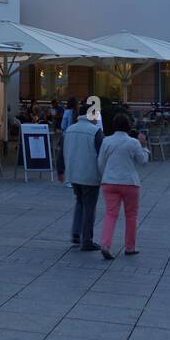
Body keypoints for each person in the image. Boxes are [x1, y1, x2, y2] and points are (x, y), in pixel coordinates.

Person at [96, 112, 150, 260]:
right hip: (130, 183)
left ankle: (106, 244)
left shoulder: (106, 141)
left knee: (110, 214)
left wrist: (105, 175)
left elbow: (100, 162)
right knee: (131, 215)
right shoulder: (133, 142)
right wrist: (144, 146)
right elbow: (143, 161)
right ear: (129, 126)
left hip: (109, 182)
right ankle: (130, 247)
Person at [63, 103, 105, 251]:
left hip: (73, 174)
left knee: (80, 202)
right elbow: (102, 155)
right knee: (89, 207)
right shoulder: (95, 131)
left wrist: (61, 170)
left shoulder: (69, 129)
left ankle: (76, 233)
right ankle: (87, 240)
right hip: (90, 175)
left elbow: (61, 150)